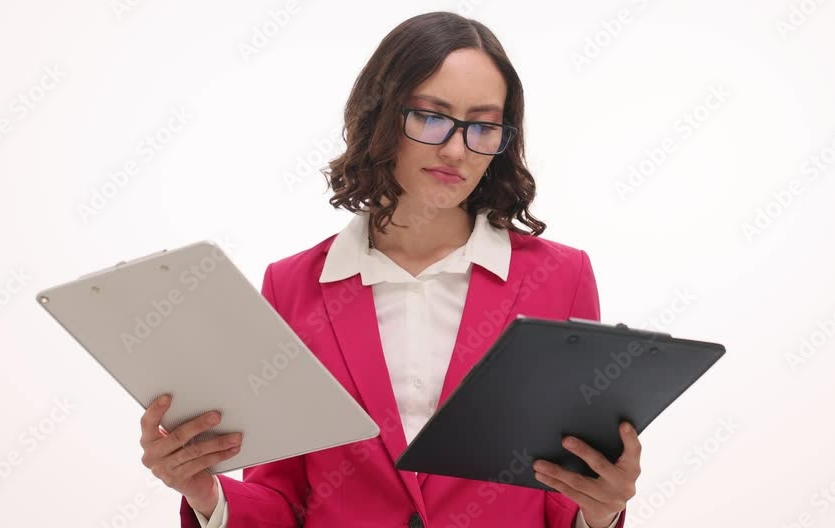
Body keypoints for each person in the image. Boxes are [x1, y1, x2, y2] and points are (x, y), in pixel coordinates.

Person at [139, 11, 641, 528]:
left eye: (483, 126)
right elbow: (282, 498)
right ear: (379, 116)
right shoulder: (291, 287)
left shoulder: (562, 278)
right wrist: (207, 494)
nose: (456, 149)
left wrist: (600, 511)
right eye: (431, 117)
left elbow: (566, 488)